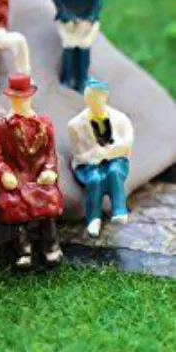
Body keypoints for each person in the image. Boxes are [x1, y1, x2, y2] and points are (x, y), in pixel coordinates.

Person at [0, 74, 64, 268]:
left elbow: (50, 153)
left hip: (38, 175)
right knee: (13, 202)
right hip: (16, 175)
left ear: (30, 97)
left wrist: (49, 170)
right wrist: (5, 173)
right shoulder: (0, 128)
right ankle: (23, 249)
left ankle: (51, 245)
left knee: (49, 197)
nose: (19, 102)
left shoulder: (44, 124)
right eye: (15, 98)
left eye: (23, 98)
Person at [68, 79, 133, 237]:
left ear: (105, 97)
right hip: (88, 163)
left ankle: (119, 209)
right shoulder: (75, 125)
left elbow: (126, 144)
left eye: (96, 97)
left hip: (115, 158)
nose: (92, 101)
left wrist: (108, 152)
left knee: (114, 171)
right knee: (95, 179)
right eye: (89, 97)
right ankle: (93, 218)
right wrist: (94, 156)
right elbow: (78, 154)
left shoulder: (120, 119)